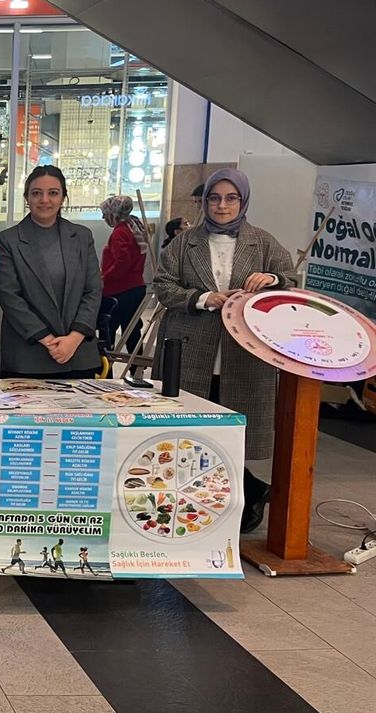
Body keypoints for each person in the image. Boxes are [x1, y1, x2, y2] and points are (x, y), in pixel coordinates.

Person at [154, 168, 294, 533]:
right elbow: (163, 286)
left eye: (231, 198)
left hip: (242, 354)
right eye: (214, 198)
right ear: (204, 202)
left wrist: (273, 279)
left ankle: (239, 494)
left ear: (243, 201)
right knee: (193, 430)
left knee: (232, 431)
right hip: (191, 350)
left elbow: (292, 281)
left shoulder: (263, 242)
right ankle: (233, 494)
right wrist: (204, 298)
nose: (222, 205)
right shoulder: (183, 243)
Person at [0, 165, 102, 379]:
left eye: (53, 193)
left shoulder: (82, 237)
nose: (45, 200)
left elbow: (93, 291)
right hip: (28, 355)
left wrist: (74, 338)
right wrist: (48, 340)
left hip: (77, 353)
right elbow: (10, 297)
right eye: (36, 193)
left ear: (63, 198)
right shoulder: (9, 240)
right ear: (27, 198)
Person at [99, 195, 148, 355]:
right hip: (135, 287)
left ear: (113, 213)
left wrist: (103, 278)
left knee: (108, 329)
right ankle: (137, 366)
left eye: (105, 214)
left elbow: (122, 263)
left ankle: (106, 365)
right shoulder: (134, 227)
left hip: (119, 290)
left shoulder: (120, 232)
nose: (103, 218)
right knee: (132, 330)